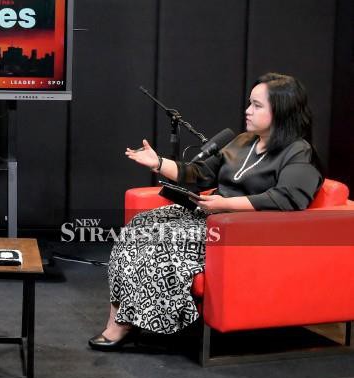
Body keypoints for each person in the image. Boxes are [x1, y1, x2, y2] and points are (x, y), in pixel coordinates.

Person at [89, 73, 323, 351]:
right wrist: (159, 162)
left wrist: (225, 205)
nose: (247, 110)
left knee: (161, 241)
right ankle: (120, 317)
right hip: (212, 217)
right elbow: (200, 174)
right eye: (249, 103)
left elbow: (288, 198)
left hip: (242, 231)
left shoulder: (299, 151)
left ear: (282, 110)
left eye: (257, 105)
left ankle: (142, 320)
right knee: (138, 228)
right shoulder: (243, 141)